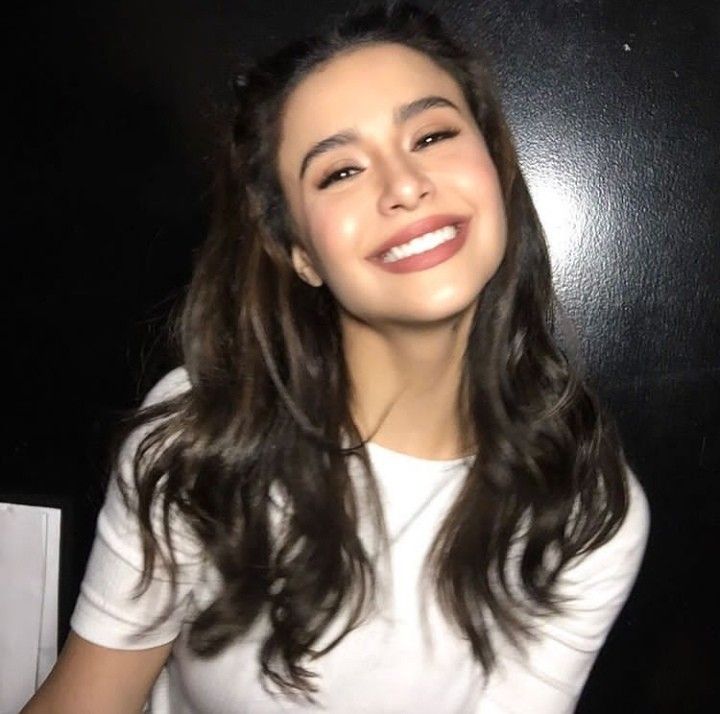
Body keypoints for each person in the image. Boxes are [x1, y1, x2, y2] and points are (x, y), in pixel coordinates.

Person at [22, 2, 650, 712]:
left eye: (433, 134)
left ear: (498, 167)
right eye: (340, 172)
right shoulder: (200, 441)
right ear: (299, 252)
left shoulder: (584, 506)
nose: (404, 185)